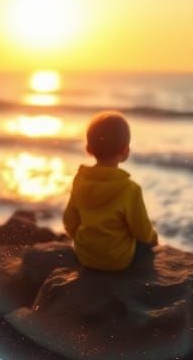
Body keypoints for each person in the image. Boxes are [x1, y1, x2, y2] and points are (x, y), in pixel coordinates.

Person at [62, 110, 158, 271]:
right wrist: (154, 238)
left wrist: (82, 241)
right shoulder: (129, 189)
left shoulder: (80, 180)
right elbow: (142, 232)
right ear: (125, 150)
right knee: (146, 247)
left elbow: (69, 221)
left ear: (88, 148)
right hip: (118, 261)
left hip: (84, 256)